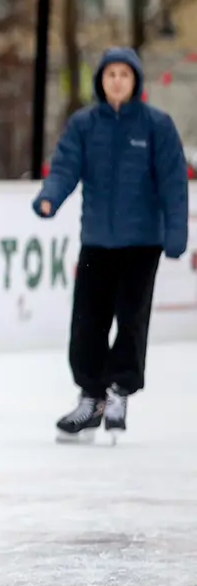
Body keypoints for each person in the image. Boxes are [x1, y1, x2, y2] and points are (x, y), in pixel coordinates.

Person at [34, 47, 189, 444]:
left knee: (131, 320)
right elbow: (65, 164)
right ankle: (91, 397)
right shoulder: (85, 125)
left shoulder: (156, 125)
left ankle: (119, 389)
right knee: (87, 320)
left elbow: (173, 182)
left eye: (124, 74)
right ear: (100, 81)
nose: (117, 80)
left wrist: (176, 234)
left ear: (135, 81)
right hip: (98, 241)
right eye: (110, 74)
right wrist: (50, 196)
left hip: (142, 243)